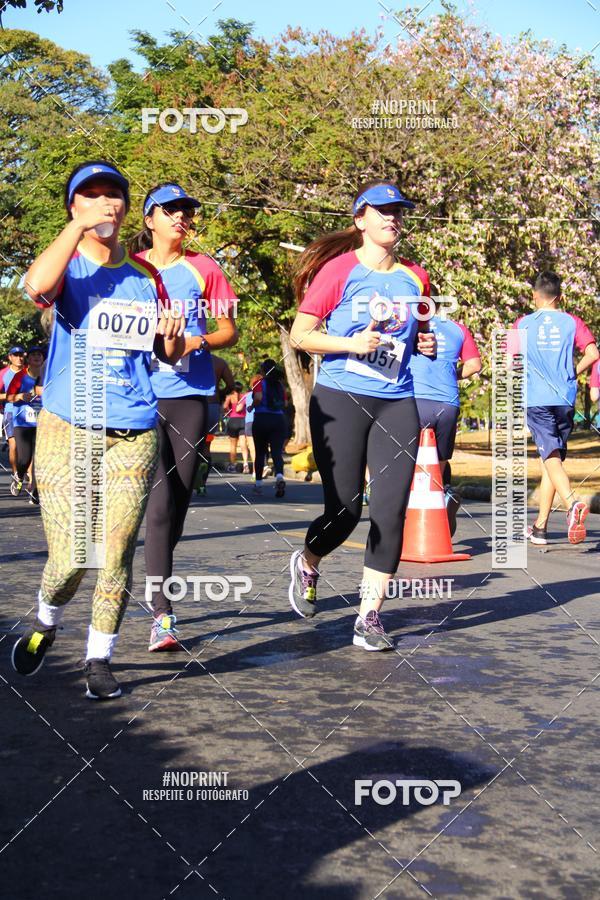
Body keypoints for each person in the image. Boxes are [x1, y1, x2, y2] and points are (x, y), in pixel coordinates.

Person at [11, 160, 185, 700]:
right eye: (92, 194)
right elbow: (35, 288)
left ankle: (99, 659)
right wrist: (77, 227)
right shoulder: (67, 267)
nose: (107, 202)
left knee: (114, 553)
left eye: (114, 194)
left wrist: (173, 335)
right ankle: (45, 620)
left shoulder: (145, 277)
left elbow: (166, 354)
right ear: (74, 204)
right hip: (70, 426)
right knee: (70, 559)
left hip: (133, 427)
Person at [287, 180, 435, 650]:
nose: (393, 218)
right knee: (346, 510)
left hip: (397, 399)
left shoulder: (416, 277)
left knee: (391, 512)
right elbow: (301, 336)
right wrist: (351, 342)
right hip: (341, 396)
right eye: (383, 211)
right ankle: (309, 560)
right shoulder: (338, 272)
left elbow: (420, 333)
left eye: (399, 211)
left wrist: (425, 343)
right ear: (360, 221)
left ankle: (369, 616)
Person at [131, 181, 238, 651]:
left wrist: (197, 342)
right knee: (157, 503)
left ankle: (156, 574)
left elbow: (228, 330)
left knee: (178, 501)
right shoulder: (128, 270)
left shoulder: (204, 269)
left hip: (191, 396)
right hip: (139, 397)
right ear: (149, 219)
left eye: (187, 211)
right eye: (170, 210)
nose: (181, 218)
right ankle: (162, 614)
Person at [514, 272, 598, 545]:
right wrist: (573, 372)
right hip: (564, 397)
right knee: (551, 459)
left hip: (537, 398)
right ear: (560, 297)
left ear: (535, 296)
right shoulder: (572, 322)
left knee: (549, 455)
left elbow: (510, 361)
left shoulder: (522, 323)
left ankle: (572, 503)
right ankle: (540, 527)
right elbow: (593, 353)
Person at [408, 294, 481, 535]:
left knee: (411, 464)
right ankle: (445, 495)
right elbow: (474, 365)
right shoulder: (458, 329)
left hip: (416, 401)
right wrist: (452, 375)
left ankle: (415, 525)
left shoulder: (411, 326)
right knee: (438, 463)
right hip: (448, 404)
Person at [6, 345, 45, 504]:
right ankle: (19, 476)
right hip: (22, 423)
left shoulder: (48, 376)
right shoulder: (21, 376)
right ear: (28, 359)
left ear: (43, 359)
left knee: (41, 458)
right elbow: (9, 397)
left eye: (39, 355)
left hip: (42, 423)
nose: (36, 357)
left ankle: (36, 491)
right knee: (25, 458)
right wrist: (20, 396)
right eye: (33, 354)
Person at [196, 354, 235, 494]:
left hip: (192, 405)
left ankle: (190, 481)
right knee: (207, 444)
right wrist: (220, 393)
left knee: (189, 444)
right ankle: (202, 484)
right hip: (212, 405)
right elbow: (231, 385)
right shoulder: (220, 362)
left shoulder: (189, 358)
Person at [251, 359, 288, 497]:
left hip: (261, 419)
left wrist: (251, 406)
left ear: (263, 370)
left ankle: (259, 484)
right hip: (278, 420)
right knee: (277, 452)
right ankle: (279, 477)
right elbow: (284, 402)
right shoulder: (280, 385)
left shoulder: (259, 383)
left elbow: (259, 397)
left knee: (260, 452)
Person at [0, 346, 26, 491]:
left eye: (21, 354)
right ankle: (16, 474)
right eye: (15, 355)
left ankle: (31, 481)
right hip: (10, 413)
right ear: (10, 357)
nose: (19, 358)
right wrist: (14, 397)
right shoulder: (3, 374)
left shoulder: (29, 371)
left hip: (29, 413)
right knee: (14, 446)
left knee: (29, 447)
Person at [223, 381, 250, 473]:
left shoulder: (230, 397)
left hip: (233, 420)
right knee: (243, 444)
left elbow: (225, 406)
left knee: (233, 445)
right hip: (243, 421)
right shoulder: (244, 396)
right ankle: (245, 464)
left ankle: (232, 466)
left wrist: (229, 412)